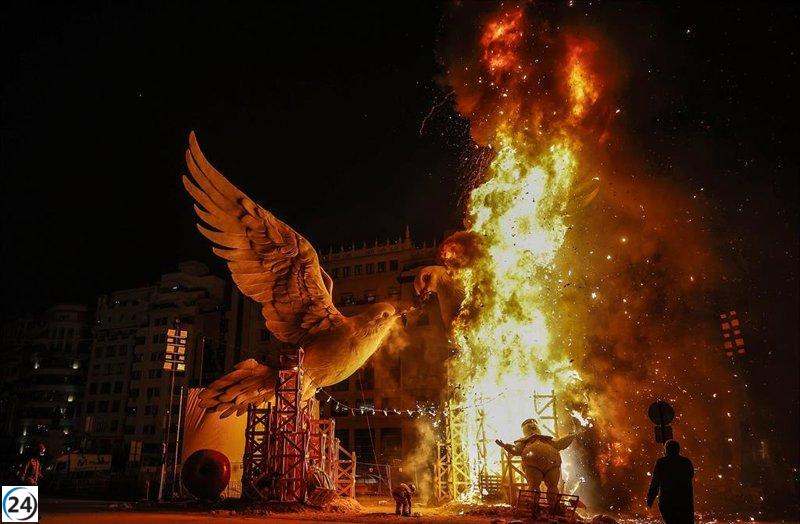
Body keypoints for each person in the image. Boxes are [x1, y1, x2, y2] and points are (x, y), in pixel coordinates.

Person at [496, 418, 579, 508]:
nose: (532, 425)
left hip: (552, 465)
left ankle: (554, 506)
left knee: (552, 486)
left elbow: (560, 444)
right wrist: (505, 446)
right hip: (533, 466)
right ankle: (534, 506)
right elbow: (516, 450)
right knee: (534, 486)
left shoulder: (547, 439)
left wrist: (570, 436)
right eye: (528, 424)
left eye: (533, 424)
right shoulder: (523, 442)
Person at [647, 440, 695, 524]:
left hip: (667, 500)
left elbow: (655, 481)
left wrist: (650, 498)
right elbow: (691, 475)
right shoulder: (685, 461)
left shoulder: (661, 462)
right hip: (684, 500)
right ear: (678, 449)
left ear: (666, 450)